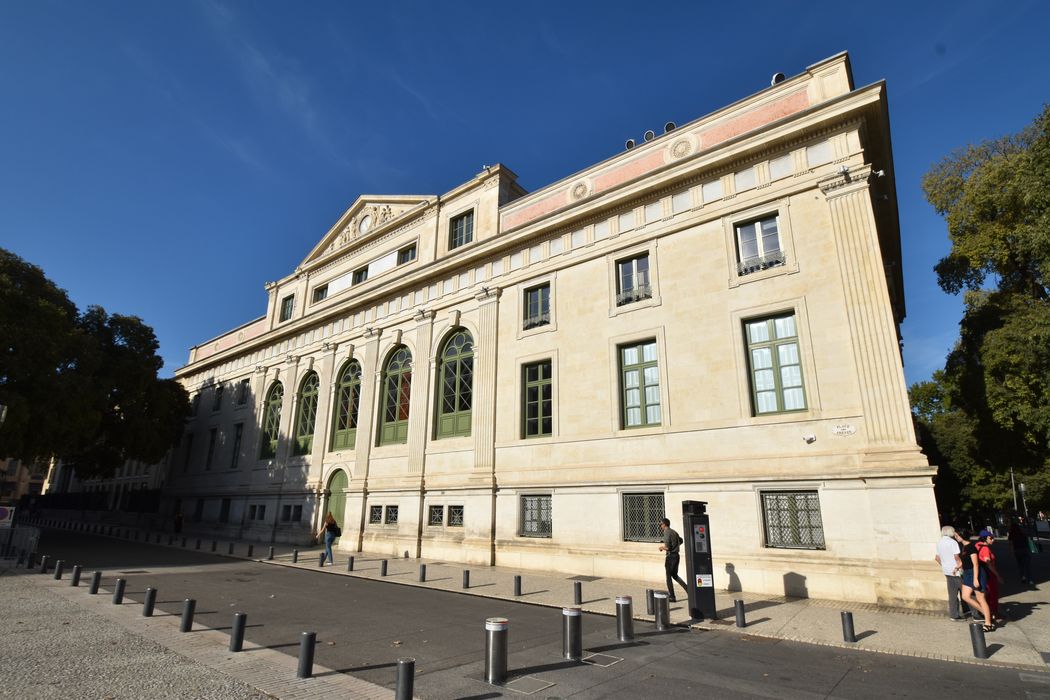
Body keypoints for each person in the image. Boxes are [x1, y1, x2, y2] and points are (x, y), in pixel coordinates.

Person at [958, 529, 994, 632]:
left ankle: (988, 623)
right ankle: (987, 614)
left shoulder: (971, 547)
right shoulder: (964, 546)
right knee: (965, 596)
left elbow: (975, 564)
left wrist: (975, 579)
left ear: (961, 536)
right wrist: (958, 566)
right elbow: (966, 561)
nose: (955, 537)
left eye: (957, 535)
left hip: (976, 574)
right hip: (967, 573)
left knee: (981, 598)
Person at [934, 525, 965, 621]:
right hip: (956, 571)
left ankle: (954, 615)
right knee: (967, 592)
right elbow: (957, 557)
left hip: (947, 571)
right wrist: (961, 566)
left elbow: (937, 558)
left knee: (952, 594)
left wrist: (944, 566)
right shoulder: (952, 542)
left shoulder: (939, 542)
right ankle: (975, 613)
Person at [976, 529, 1005, 623]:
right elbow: (989, 564)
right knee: (993, 594)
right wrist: (998, 575)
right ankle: (993, 614)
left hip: (982, 573)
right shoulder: (985, 549)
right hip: (989, 574)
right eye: (991, 538)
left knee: (986, 595)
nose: (993, 540)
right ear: (985, 538)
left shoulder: (977, 545)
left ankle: (986, 613)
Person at [658, 517, 688, 602]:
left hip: (670, 557)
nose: (660, 527)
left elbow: (667, 547)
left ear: (664, 524)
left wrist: (661, 547)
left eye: (661, 525)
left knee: (668, 577)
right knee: (674, 575)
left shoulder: (667, 533)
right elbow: (681, 541)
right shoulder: (674, 532)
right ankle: (688, 590)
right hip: (676, 556)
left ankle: (672, 596)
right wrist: (676, 546)